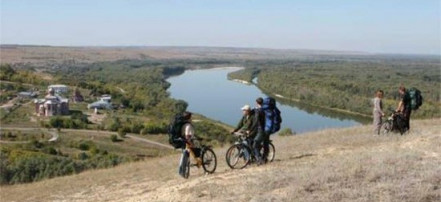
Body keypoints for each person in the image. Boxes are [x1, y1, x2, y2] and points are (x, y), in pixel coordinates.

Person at [178, 112, 201, 177]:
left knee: (183, 156)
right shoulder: (188, 126)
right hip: (187, 142)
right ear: (189, 118)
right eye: (191, 117)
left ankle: (182, 171)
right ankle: (183, 171)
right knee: (195, 150)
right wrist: (190, 143)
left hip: (183, 142)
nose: (192, 118)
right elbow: (187, 136)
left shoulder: (183, 125)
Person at [253, 97, 268, 165]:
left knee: (255, 144)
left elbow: (256, 121)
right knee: (264, 144)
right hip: (267, 129)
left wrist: (251, 129)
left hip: (261, 130)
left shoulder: (258, 111)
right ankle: (264, 158)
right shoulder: (265, 110)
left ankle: (260, 159)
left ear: (257, 103)